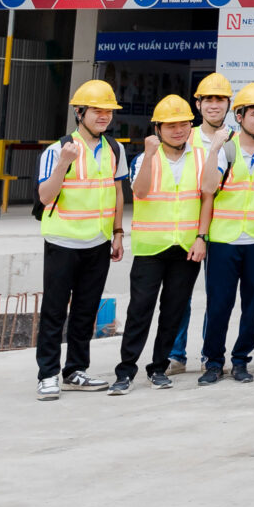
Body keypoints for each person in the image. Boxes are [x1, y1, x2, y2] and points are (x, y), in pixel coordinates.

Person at [34, 80, 129, 400]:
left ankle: (75, 370)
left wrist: (117, 233)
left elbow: (117, 193)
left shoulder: (115, 149)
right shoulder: (57, 149)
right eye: (97, 110)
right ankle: (47, 374)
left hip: (98, 243)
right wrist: (64, 161)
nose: (104, 116)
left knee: (86, 310)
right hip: (63, 241)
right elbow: (46, 196)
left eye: (108, 111)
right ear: (80, 112)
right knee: (54, 310)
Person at [109, 95, 208, 395]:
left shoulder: (201, 157)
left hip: (186, 247)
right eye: (171, 125)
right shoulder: (144, 158)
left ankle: (159, 368)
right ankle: (126, 371)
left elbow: (208, 200)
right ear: (158, 128)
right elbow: (139, 192)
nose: (178, 130)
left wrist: (201, 238)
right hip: (151, 248)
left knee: (174, 310)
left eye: (184, 124)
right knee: (140, 310)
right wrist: (150, 155)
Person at [198, 82, 254, 385]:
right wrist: (213, 149)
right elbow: (208, 188)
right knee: (219, 304)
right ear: (240, 116)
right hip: (224, 240)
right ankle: (213, 361)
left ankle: (241, 360)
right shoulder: (227, 149)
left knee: (253, 304)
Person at [158, 71, 233, 374]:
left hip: (221, 229)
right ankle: (176, 354)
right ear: (198, 104)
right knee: (180, 295)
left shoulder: (234, 140)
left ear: (229, 104)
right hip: (187, 227)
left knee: (216, 295)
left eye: (220, 99)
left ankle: (209, 353)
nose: (214, 105)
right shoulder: (180, 135)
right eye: (208, 99)